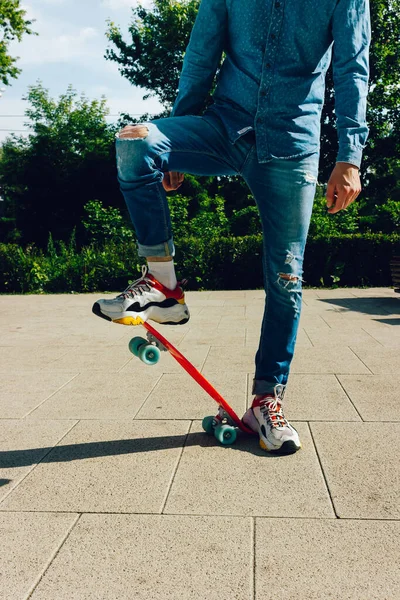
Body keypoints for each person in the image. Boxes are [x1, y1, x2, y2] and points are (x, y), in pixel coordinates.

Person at [93, 0, 371, 455]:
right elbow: (201, 53)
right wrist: (177, 134)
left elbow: (352, 66)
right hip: (224, 127)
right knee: (136, 142)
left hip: (292, 142)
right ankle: (163, 284)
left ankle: (267, 400)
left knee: (286, 278)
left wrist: (350, 156)